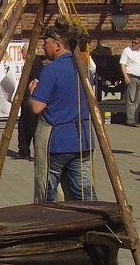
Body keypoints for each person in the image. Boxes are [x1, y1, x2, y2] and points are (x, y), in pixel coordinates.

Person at [30, 19, 98, 202]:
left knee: (48, 192)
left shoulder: (51, 70)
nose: (44, 47)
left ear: (57, 45)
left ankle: (48, 223)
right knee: (84, 193)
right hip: (83, 139)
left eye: (46, 43)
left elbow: (37, 107)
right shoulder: (85, 70)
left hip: (57, 141)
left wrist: (32, 92)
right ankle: (94, 222)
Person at [119, 36, 140, 127]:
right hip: (131, 76)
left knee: (137, 99)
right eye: (132, 42)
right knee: (131, 99)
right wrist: (125, 77)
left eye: (135, 43)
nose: (133, 44)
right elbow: (123, 64)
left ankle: (131, 117)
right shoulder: (127, 50)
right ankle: (130, 120)